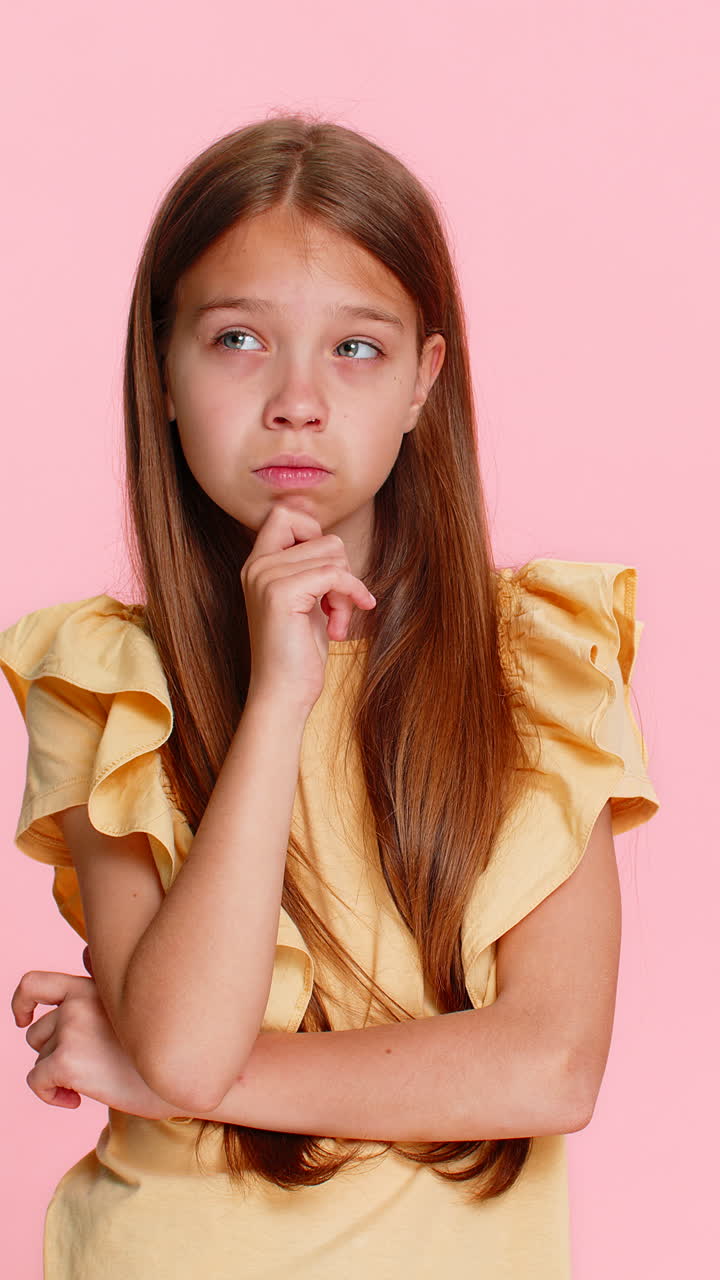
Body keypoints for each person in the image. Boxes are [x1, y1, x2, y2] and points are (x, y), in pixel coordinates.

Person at [0, 113, 660, 1279]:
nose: (296, 400)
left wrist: (149, 1062)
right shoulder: (107, 678)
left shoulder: (542, 661)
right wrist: (274, 702)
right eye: (239, 338)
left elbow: (550, 1064)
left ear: (423, 381)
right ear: (161, 372)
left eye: (355, 348)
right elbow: (191, 1042)